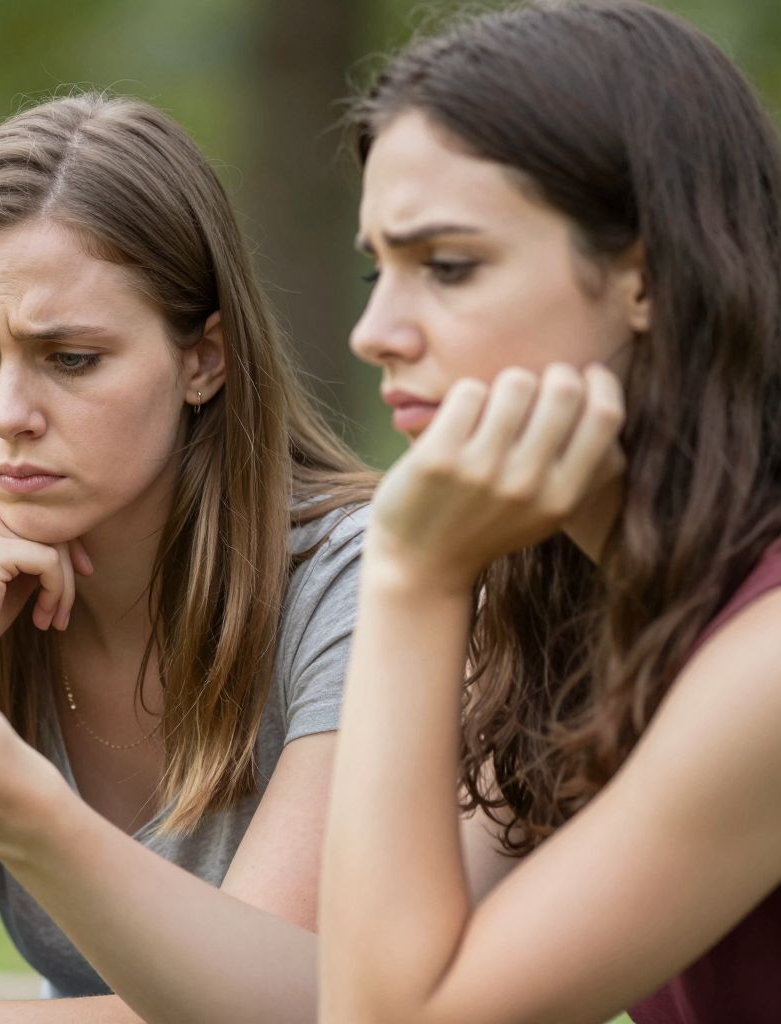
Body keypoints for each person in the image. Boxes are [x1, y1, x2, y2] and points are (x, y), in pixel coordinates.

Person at [0, 93, 373, 1022]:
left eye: (71, 359)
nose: (9, 415)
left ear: (205, 360)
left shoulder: (349, 577)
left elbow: (284, 1009)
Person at [317, 2, 781, 1022]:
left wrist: (412, 577)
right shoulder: (570, 585)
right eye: (375, 269)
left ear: (645, 279)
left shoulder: (768, 654)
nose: (374, 331)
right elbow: (367, 973)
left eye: (447, 266)